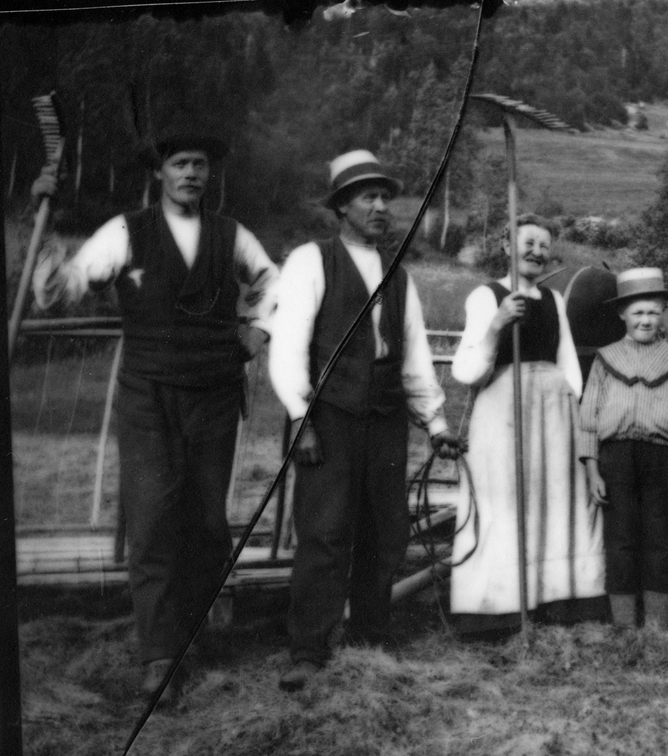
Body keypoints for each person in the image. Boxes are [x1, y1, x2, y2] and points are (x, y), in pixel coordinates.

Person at [30, 131, 278, 703]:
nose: (191, 173)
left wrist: (258, 330)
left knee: (205, 520)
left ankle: (191, 637)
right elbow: (70, 284)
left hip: (214, 393)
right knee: (152, 518)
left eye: (200, 163)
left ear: (210, 175)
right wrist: (48, 251)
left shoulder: (231, 234)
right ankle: (158, 657)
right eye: (180, 163)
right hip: (148, 396)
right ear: (160, 174)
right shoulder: (127, 231)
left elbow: (273, 280)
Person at [269, 150, 458, 691]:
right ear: (342, 207)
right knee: (325, 532)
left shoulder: (399, 275)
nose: (380, 207)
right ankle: (309, 649)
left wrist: (437, 424)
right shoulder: (311, 259)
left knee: (385, 530)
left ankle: (371, 641)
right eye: (367, 197)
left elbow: (415, 357)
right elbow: (288, 346)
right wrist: (302, 417)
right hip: (328, 416)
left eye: (385, 198)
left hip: (385, 416)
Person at [449, 214, 605, 634]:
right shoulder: (485, 297)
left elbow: (569, 363)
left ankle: (558, 598)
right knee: (507, 500)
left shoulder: (554, 301)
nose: (537, 252)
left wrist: (579, 414)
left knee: (556, 500)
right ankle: (496, 605)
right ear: (505, 245)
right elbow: (466, 371)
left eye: (543, 245)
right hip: (503, 411)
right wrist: (498, 324)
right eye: (528, 243)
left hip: (554, 412)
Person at [578, 268, 668, 629]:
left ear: (662, 312)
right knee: (620, 541)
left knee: (659, 540)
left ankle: (656, 627)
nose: (645, 320)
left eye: (652, 312)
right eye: (637, 313)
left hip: (663, 458)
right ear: (623, 315)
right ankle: (624, 626)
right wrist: (592, 470)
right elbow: (588, 419)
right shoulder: (605, 359)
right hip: (616, 459)